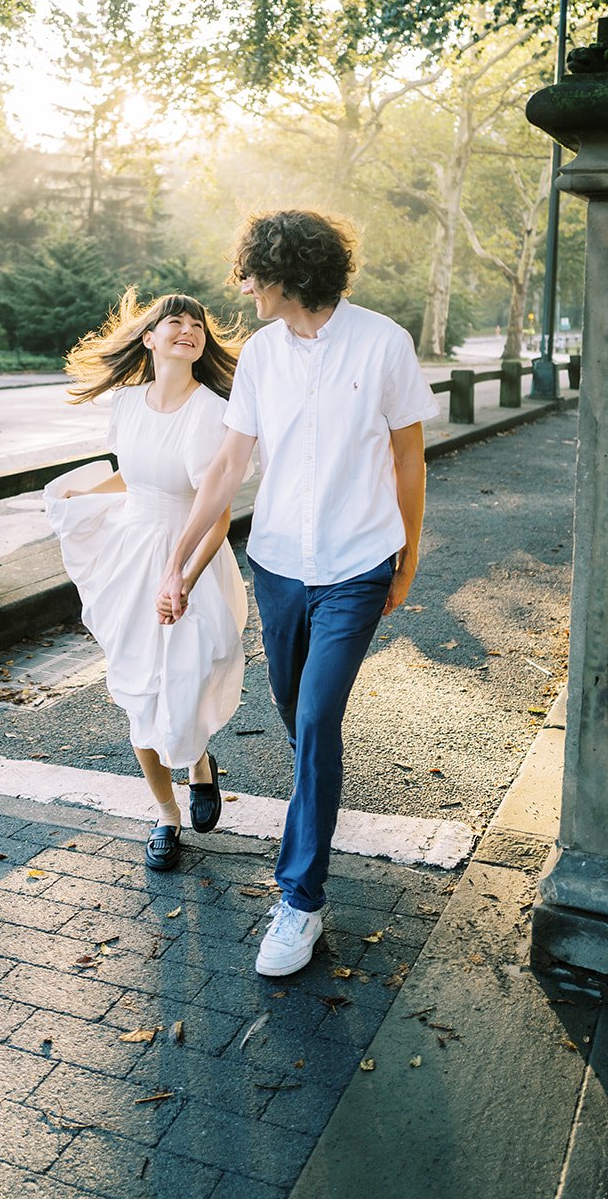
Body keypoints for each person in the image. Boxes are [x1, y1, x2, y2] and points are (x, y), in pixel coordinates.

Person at [158, 212, 439, 975]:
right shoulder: (259, 357)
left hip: (357, 566)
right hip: (279, 565)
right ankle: (317, 787)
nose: (241, 285)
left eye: (250, 272)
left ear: (288, 274)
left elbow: (409, 457)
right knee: (296, 715)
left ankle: (300, 900)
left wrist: (407, 559)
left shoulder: (382, 342)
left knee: (316, 718)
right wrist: (178, 561)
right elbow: (226, 467)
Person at [44, 289, 248, 872]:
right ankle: (165, 814)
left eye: (197, 325)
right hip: (128, 558)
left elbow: (218, 515)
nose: (187, 330)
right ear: (149, 338)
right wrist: (85, 492)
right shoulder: (128, 404)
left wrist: (181, 578)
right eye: (173, 322)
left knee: (182, 683)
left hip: (190, 560)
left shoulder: (213, 411)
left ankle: (200, 763)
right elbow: (132, 477)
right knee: (139, 691)